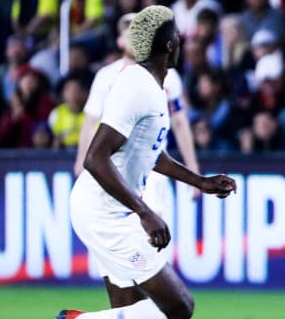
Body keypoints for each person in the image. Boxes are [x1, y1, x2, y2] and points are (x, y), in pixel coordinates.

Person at [53, 6, 237, 319]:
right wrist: (145, 212)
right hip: (104, 212)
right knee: (178, 306)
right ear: (169, 45)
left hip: (112, 209)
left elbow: (148, 153)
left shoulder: (155, 86)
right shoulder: (135, 87)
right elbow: (96, 158)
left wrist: (200, 181)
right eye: (178, 36)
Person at [74, 12, 201, 212]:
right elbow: (91, 121)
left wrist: (192, 167)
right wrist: (82, 160)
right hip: (112, 167)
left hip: (151, 168)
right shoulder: (106, 77)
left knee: (151, 236)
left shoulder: (168, 76)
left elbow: (180, 123)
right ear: (120, 40)